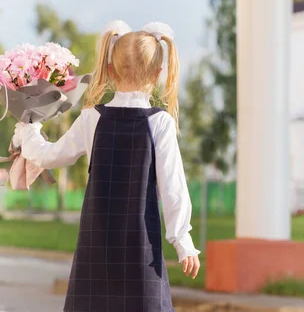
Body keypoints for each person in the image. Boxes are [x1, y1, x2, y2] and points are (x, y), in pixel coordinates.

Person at [13, 20, 200, 312]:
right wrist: (182, 240)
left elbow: (50, 156)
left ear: (110, 69)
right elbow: (173, 187)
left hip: (95, 250)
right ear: (158, 73)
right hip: (141, 250)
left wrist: (28, 129)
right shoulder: (159, 122)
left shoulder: (92, 118)